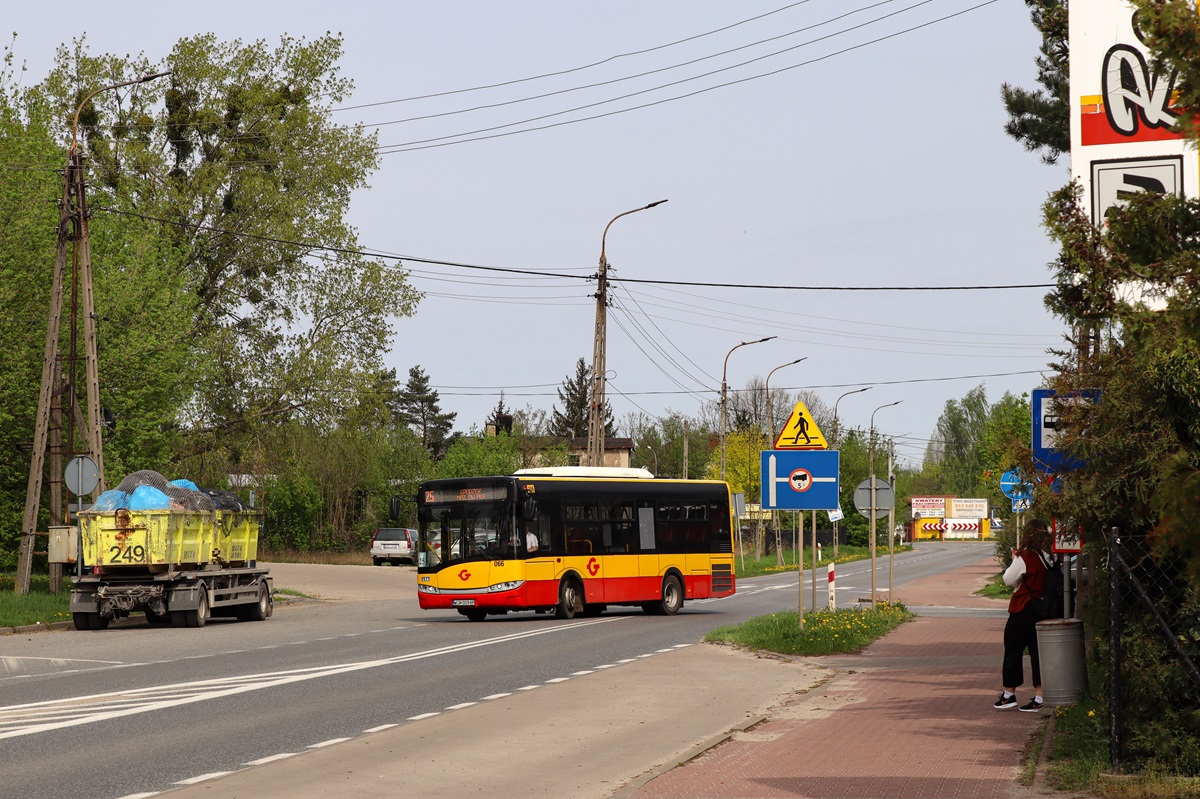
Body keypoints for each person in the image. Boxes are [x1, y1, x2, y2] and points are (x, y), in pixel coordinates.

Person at [994, 520, 1052, 712]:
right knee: (1038, 653)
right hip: (1043, 609)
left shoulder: (1025, 556)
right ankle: (1040, 696)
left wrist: (1013, 560)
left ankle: (1009, 694)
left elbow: (1008, 579)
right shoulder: (1049, 556)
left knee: (1013, 649)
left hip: (1023, 608)